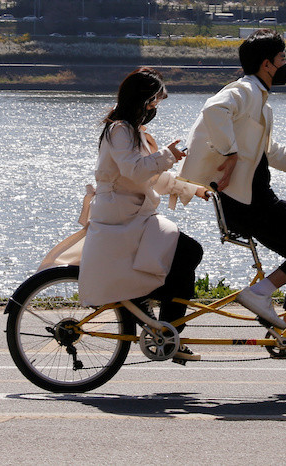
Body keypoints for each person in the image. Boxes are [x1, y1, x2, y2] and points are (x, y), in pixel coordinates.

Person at [180, 29, 286, 362]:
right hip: (249, 203)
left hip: (253, 200)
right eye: (282, 58)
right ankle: (259, 293)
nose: (285, 65)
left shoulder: (260, 101)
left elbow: (271, 153)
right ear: (267, 64)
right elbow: (213, 109)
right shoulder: (246, 91)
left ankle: (285, 335)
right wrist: (230, 153)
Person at [77, 67, 208, 363]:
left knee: (186, 254)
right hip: (121, 217)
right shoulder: (119, 130)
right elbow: (135, 170)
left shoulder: (133, 131)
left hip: (133, 214)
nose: (155, 109)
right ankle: (165, 327)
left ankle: (161, 324)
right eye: (154, 103)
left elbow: (147, 177)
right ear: (143, 100)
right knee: (188, 251)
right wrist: (169, 155)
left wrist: (195, 190)